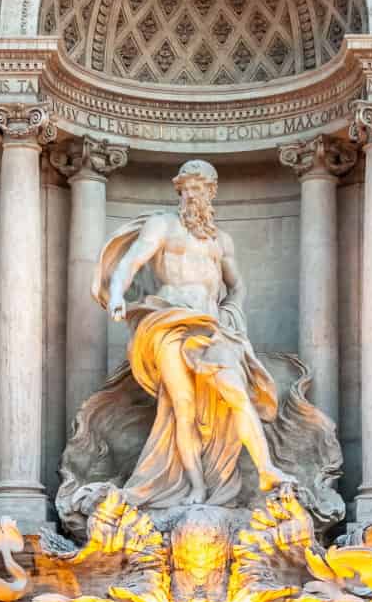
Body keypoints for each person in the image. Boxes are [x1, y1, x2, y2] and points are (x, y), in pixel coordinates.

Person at [92, 160, 295, 508]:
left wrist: (232, 312)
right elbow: (132, 261)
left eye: (198, 188)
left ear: (210, 192)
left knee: (236, 394)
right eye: (185, 188)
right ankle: (196, 488)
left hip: (212, 326)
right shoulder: (163, 225)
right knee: (181, 407)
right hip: (168, 320)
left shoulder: (221, 241)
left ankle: (266, 469)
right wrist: (115, 295)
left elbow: (237, 285)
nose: (191, 195)